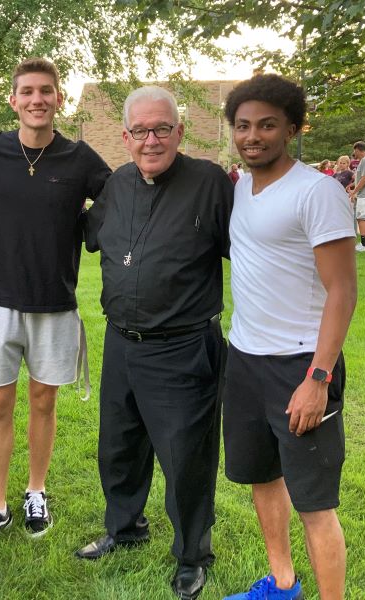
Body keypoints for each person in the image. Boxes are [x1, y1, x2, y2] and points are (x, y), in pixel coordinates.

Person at [0, 58, 110, 554]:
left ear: (59, 99)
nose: (37, 99)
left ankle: (35, 491)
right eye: (27, 92)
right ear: (14, 100)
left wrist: (88, 228)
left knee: (44, 401)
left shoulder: (80, 157)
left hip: (55, 301)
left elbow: (118, 200)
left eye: (46, 91)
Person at [79, 86, 232, 600]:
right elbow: (86, 233)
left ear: (179, 132)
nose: (151, 139)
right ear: (124, 137)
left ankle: (192, 555)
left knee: (186, 458)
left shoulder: (209, 183)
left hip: (183, 347)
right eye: (140, 130)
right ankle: (125, 529)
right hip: (122, 342)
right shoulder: (117, 185)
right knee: (118, 448)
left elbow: (250, 253)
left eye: (162, 128)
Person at [222, 73, 357, 600]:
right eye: (243, 125)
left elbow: (342, 290)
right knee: (262, 478)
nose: (253, 135)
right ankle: (282, 584)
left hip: (300, 365)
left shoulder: (317, 191)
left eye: (267, 125)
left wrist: (318, 378)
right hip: (245, 359)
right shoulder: (242, 189)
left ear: (293, 129)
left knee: (315, 505)